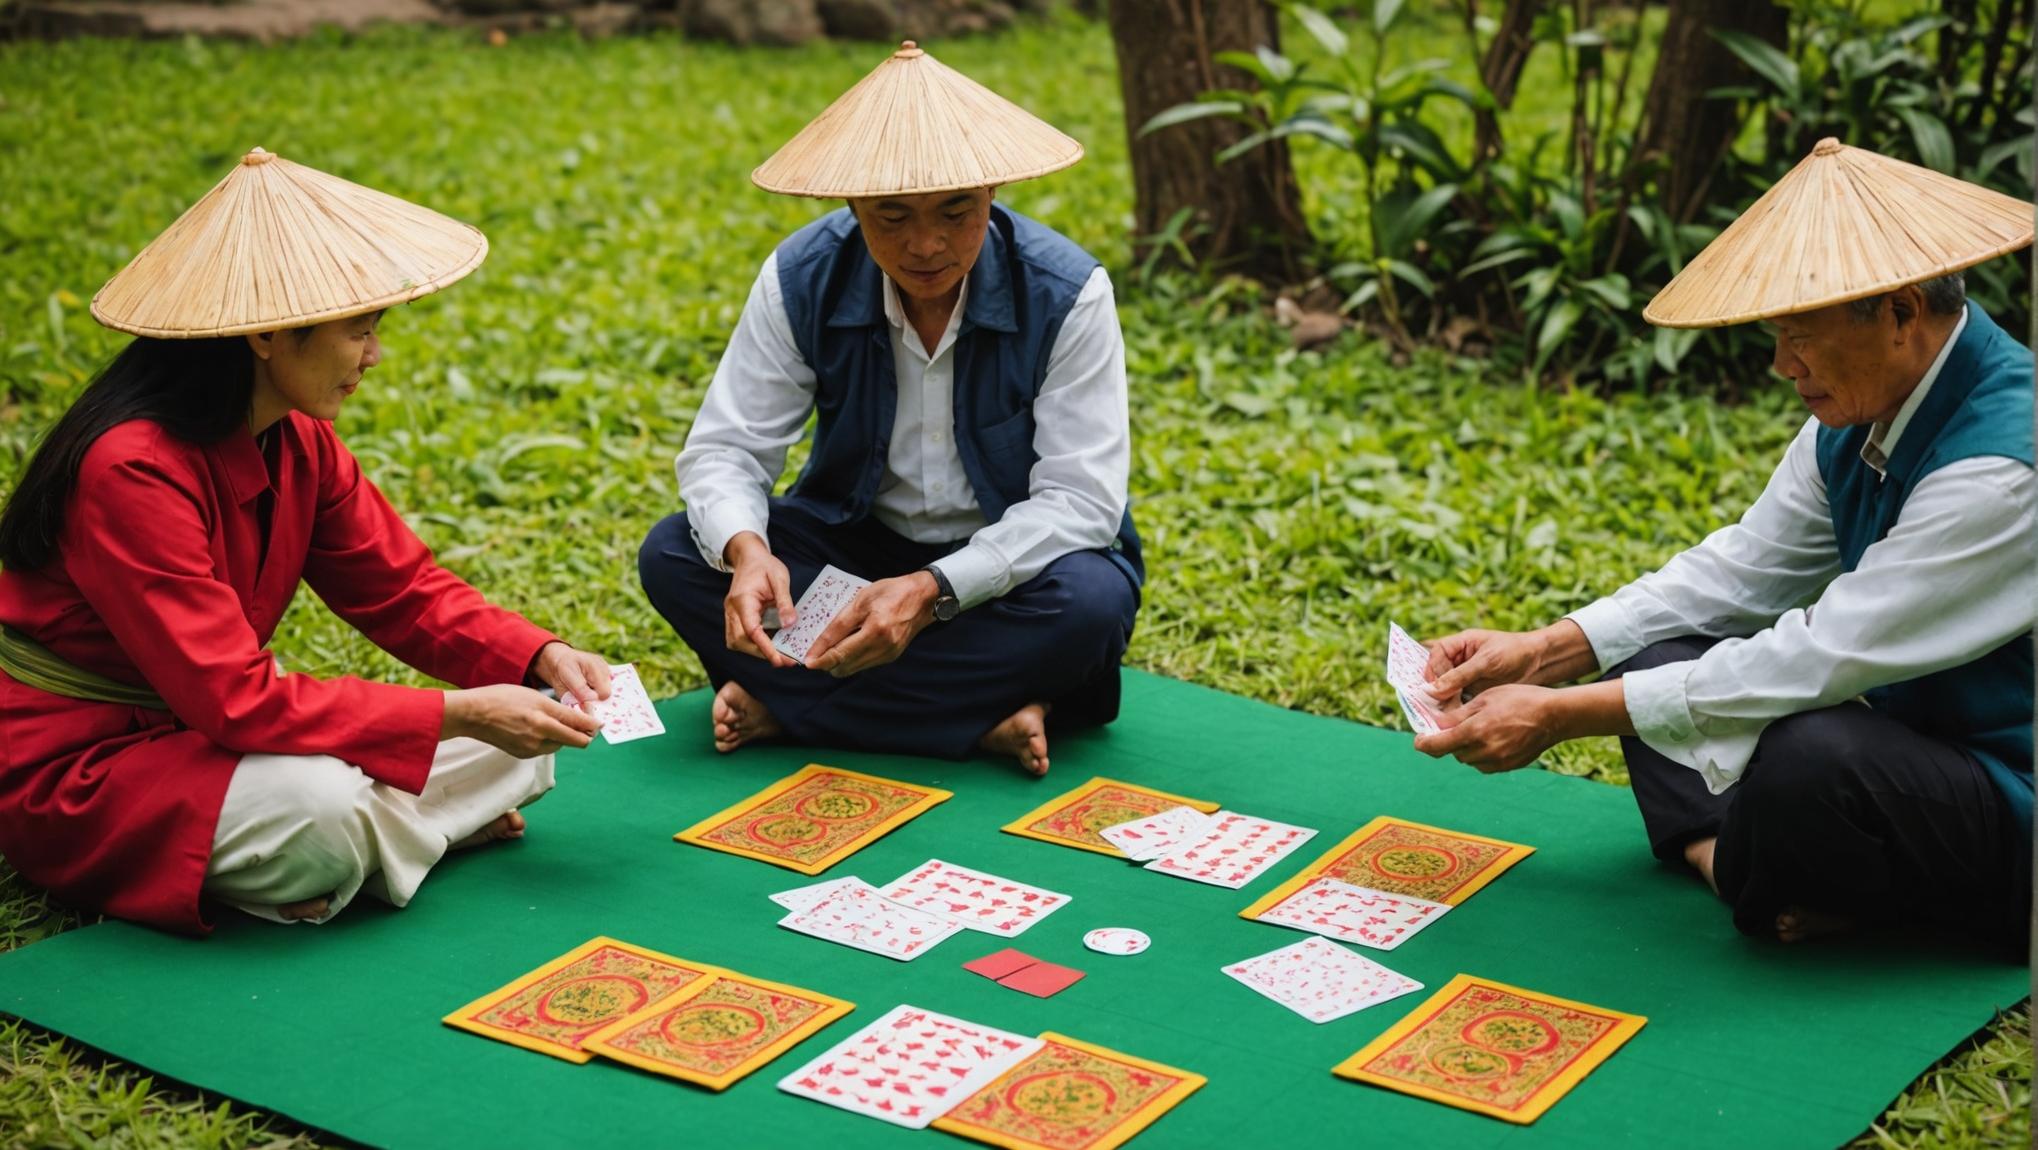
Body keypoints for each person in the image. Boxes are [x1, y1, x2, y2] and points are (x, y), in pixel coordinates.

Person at [1414, 139, 2034, 950]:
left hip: (2012, 788)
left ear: (1902, 312)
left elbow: (1823, 655)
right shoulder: (1858, 412)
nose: (1782, 365)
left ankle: (1797, 887)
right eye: (1776, 336)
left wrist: (1561, 717)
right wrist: (1546, 652)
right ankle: (1735, 865)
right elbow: (1746, 567)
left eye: (1801, 336)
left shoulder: (2004, 466)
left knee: (1810, 755)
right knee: (1650, 659)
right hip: (1917, 740)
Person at [0, 148, 614, 934]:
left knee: (530, 734)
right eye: (359, 330)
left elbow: (403, 591)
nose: (374, 355)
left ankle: (375, 847)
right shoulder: (131, 470)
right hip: (89, 768)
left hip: (222, 740)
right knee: (321, 811)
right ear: (266, 335)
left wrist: (537, 658)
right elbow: (234, 700)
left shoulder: (299, 441)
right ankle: (380, 842)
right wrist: (457, 712)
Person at [639, 42, 1141, 777]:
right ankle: (981, 724)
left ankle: (798, 707)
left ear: (993, 192)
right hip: (855, 546)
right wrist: (749, 554)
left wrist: (933, 591)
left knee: (1090, 603)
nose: (927, 244)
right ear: (852, 207)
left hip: (1004, 568)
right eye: (893, 216)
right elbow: (726, 452)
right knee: (676, 552)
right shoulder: (800, 276)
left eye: (955, 211)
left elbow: (1081, 503)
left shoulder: (1068, 292)